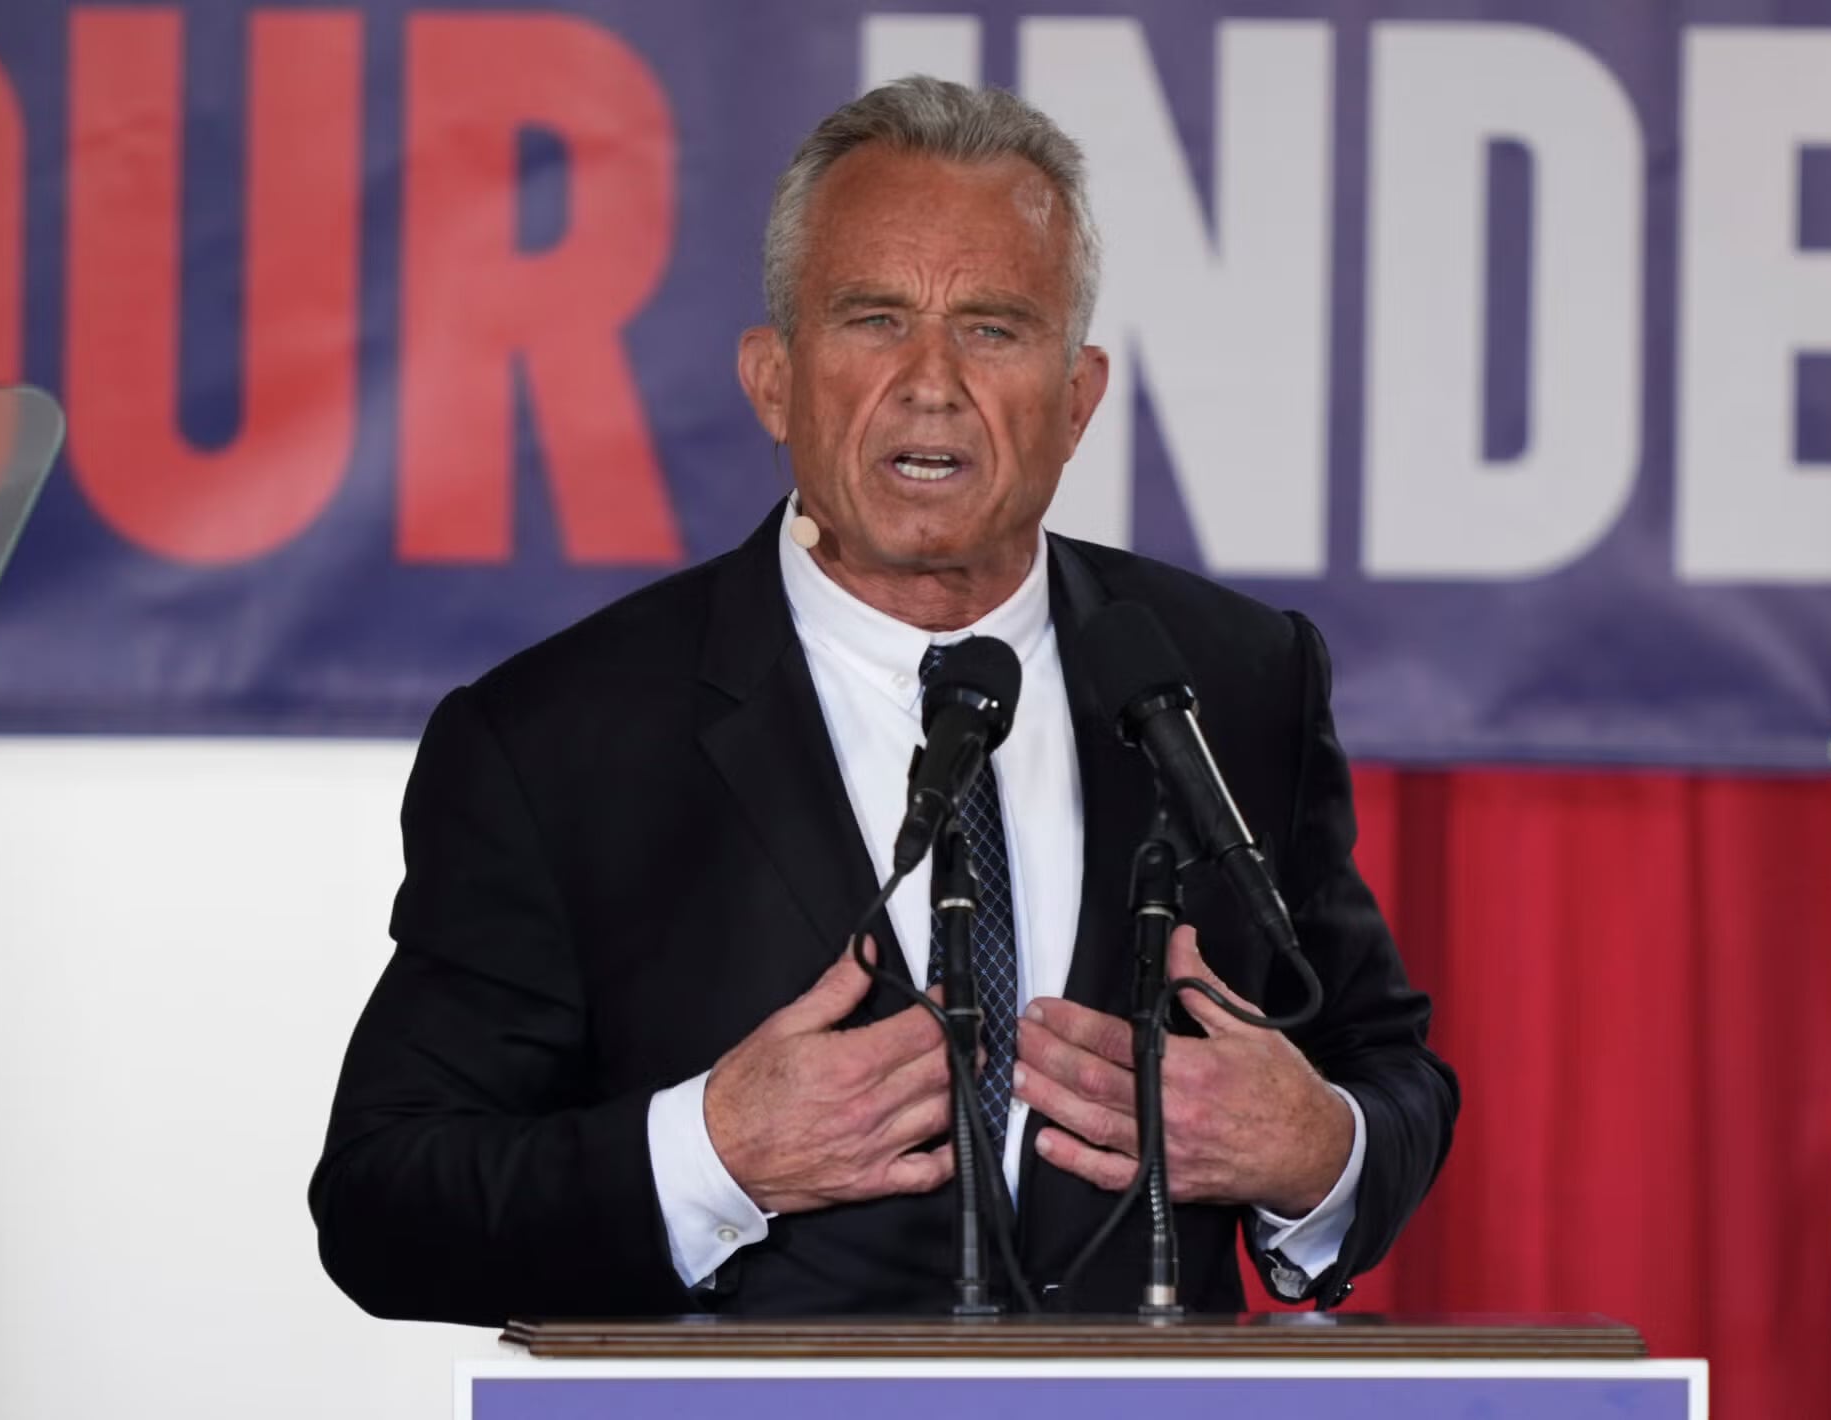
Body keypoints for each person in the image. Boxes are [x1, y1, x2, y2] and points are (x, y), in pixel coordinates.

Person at [309, 76, 1457, 1323]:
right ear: (772, 380)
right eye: (871, 319)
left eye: (993, 327)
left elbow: (1385, 1072)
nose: (930, 380)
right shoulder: (559, 740)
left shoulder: (1236, 676)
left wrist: (1312, 1153)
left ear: (1076, 400)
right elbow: (386, 1203)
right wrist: (709, 1157)